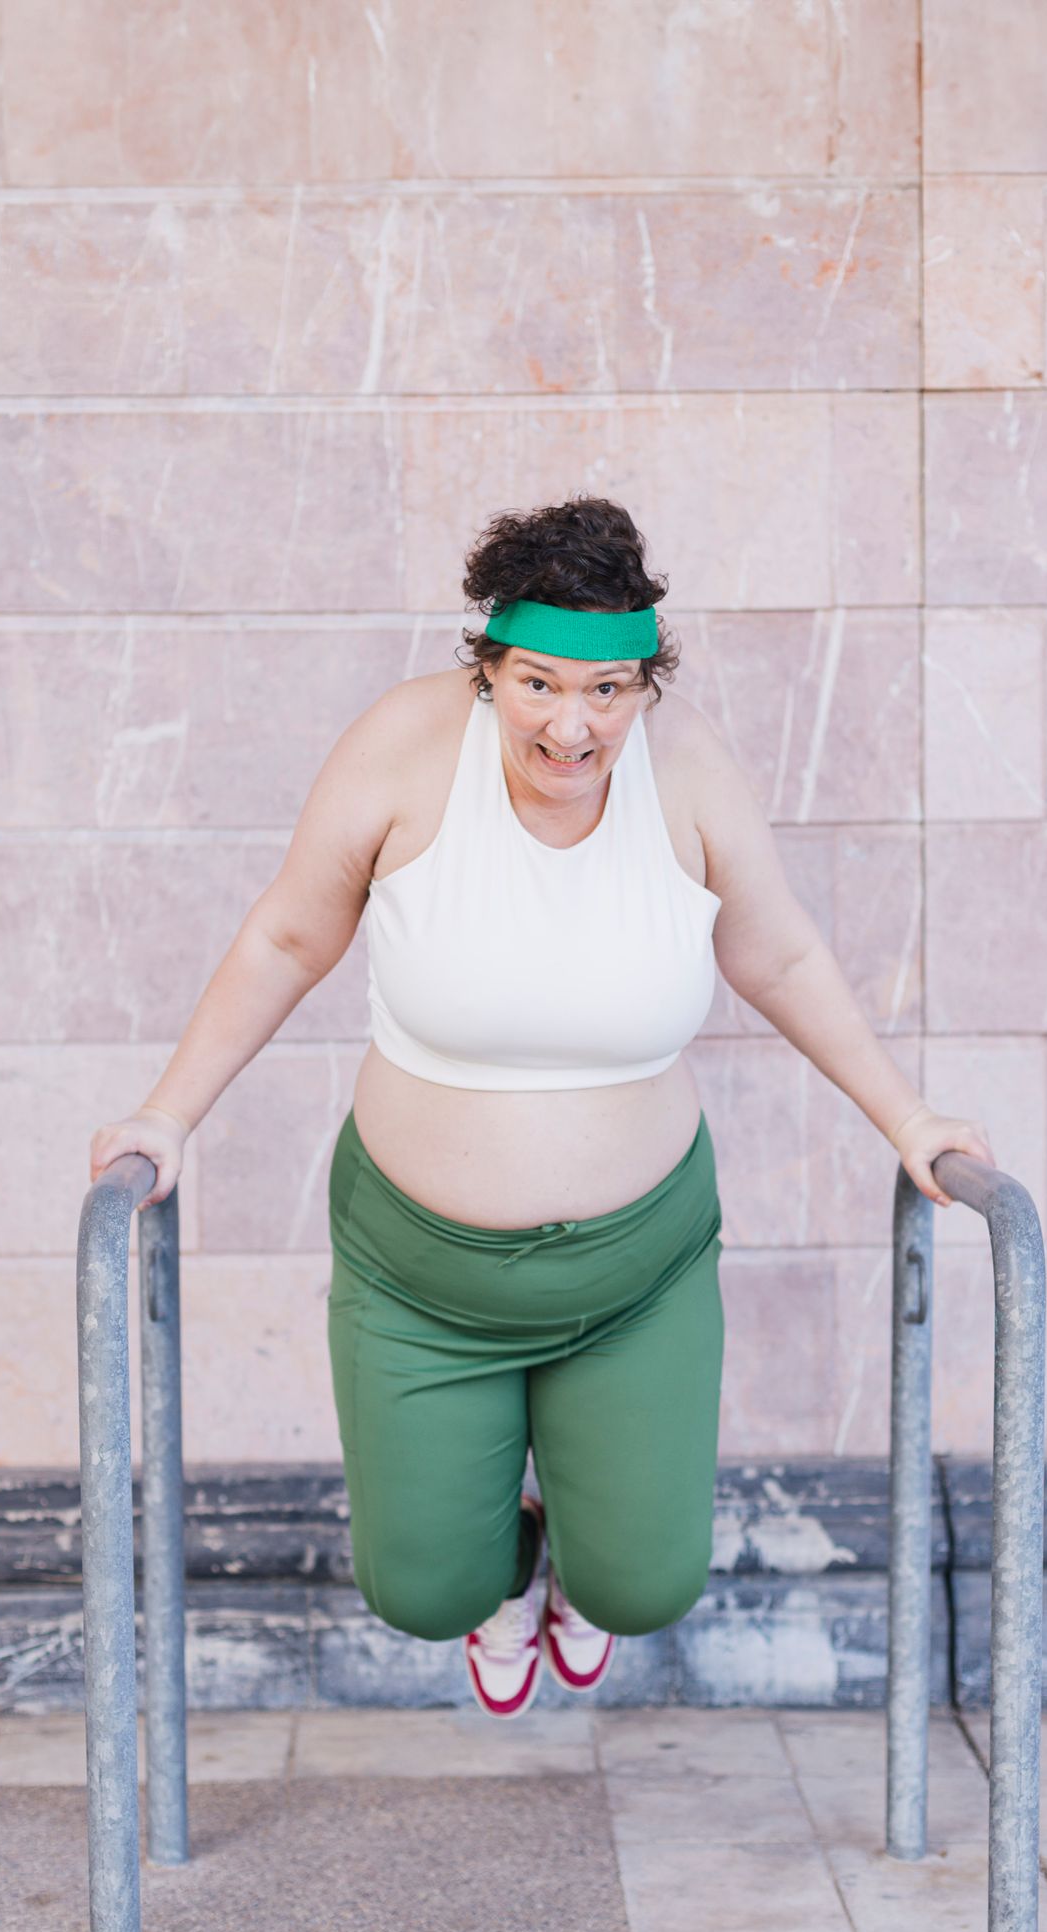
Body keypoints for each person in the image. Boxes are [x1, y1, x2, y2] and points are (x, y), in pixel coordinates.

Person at [88, 495, 996, 1719]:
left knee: (642, 1586)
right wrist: (167, 1115)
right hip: (419, 1274)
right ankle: (507, 1563)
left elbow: (777, 954)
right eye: (538, 685)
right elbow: (288, 937)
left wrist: (909, 1119)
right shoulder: (402, 748)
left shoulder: (687, 769)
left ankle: (581, 1555)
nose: (573, 727)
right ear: (489, 667)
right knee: (422, 1590)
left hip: (637, 1274)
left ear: (643, 682)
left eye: (608, 691)